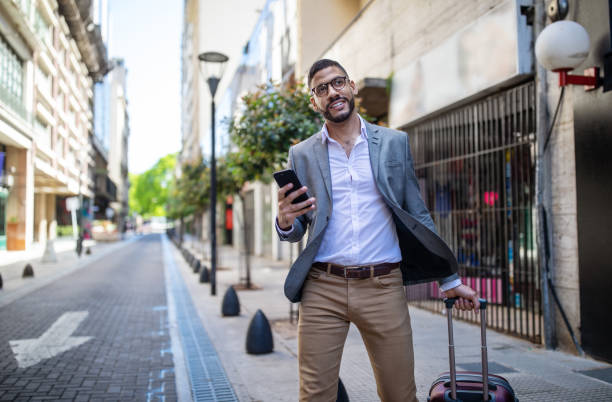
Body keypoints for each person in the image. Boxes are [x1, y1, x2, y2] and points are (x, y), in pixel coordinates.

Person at [275, 59, 480, 402]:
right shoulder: (302, 154)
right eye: (321, 89)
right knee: (314, 396)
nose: (332, 92)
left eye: (337, 82)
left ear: (351, 86)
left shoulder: (394, 143)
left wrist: (449, 280)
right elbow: (298, 227)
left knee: (399, 394)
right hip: (322, 288)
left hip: (383, 287)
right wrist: (284, 220)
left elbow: (416, 213)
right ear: (315, 102)